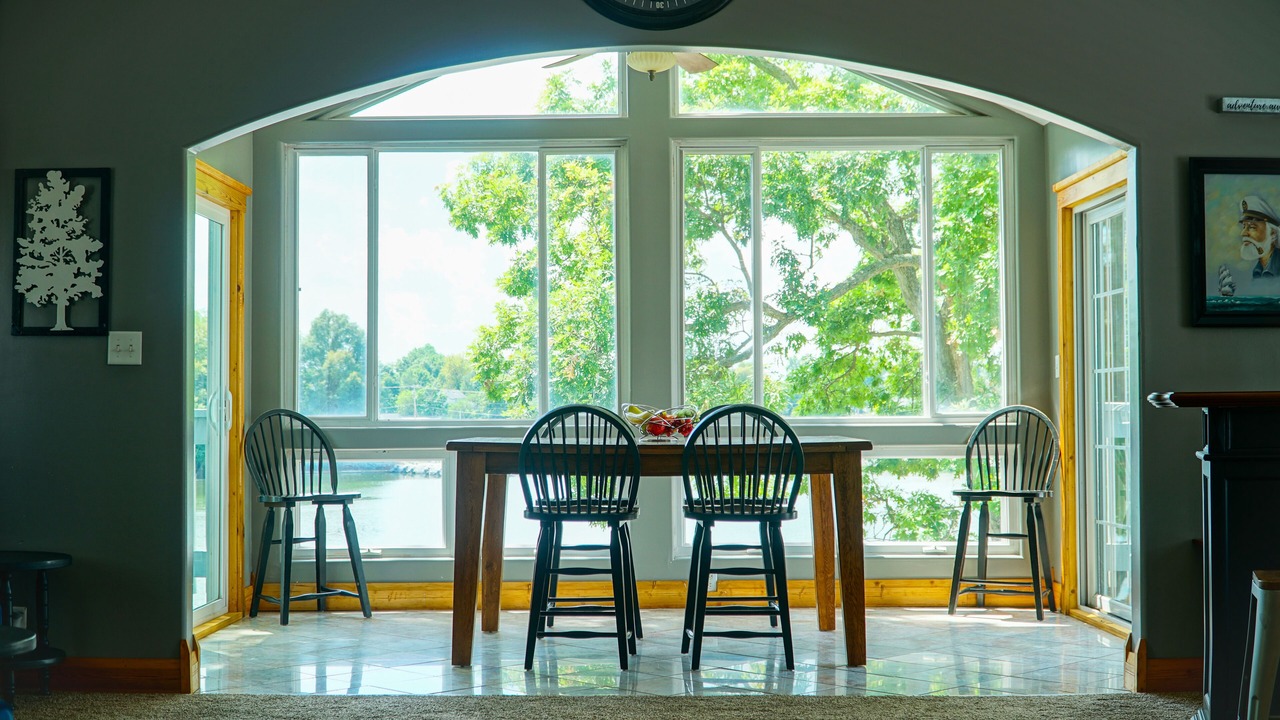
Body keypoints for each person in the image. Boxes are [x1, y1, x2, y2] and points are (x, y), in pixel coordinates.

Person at [1218, 194, 1280, 297]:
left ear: (1273, 233)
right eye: (1244, 226)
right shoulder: (1258, 271)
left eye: (1252, 227)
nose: (1243, 233)